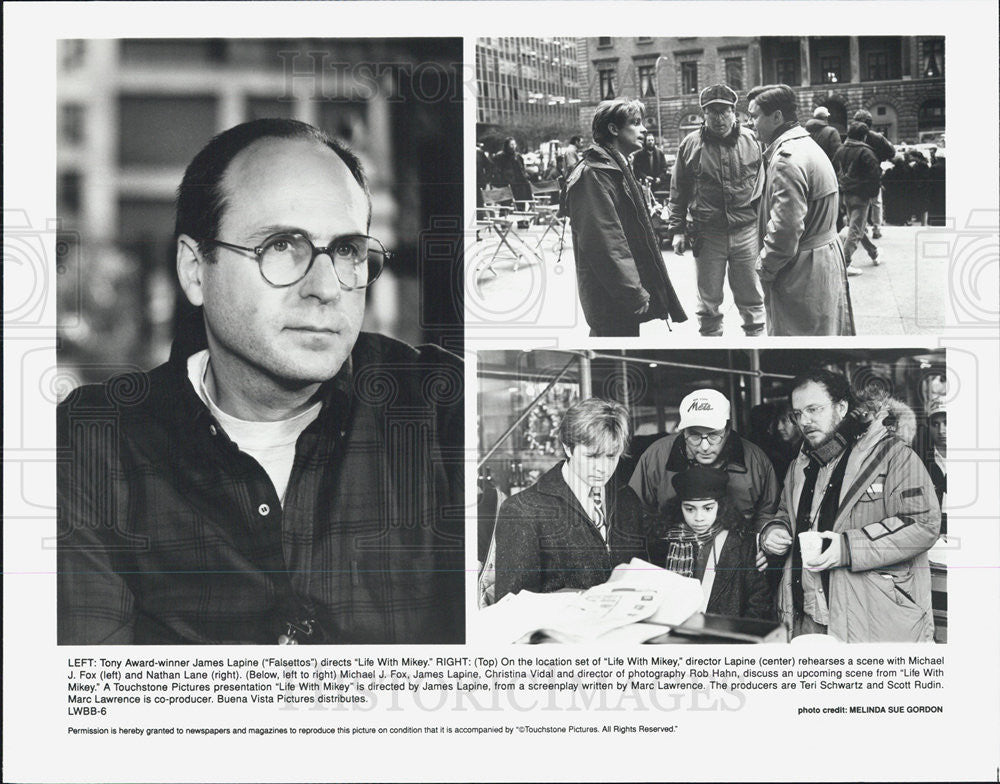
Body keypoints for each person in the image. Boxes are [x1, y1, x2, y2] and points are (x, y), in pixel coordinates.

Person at [57, 119, 464, 645]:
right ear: (195, 270)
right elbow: (91, 706)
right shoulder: (93, 444)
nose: (324, 289)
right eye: (281, 246)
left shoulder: (442, 407)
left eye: (346, 250)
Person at [758, 369, 941, 642]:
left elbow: (923, 524)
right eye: (798, 414)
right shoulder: (800, 464)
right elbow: (786, 513)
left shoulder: (894, 455)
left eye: (814, 409)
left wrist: (847, 548)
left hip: (870, 620)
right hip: (807, 617)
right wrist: (773, 532)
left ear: (841, 408)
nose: (804, 421)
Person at [493, 398, 649, 599]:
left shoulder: (627, 500)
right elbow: (511, 605)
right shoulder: (523, 510)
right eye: (592, 456)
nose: (602, 468)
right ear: (568, 448)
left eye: (611, 457)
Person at [564, 99, 687, 336]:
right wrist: (632, 291)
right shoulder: (594, 174)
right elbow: (606, 242)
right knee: (613, 340)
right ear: (613, 129)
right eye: (635, 123)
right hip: (610, 297)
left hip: (616, 294)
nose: (643, 130)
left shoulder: (613, 167)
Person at [747, 84, 855, 336]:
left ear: (776, 117)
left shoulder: (786, 158)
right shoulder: (805, 145)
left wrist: (765, 266)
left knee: (797, 337)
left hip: (801, 271)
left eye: (754, 116)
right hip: (819, 260)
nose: (750, 123)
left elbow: (785, 231)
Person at [667, 83, 766, 337]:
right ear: (704, 114)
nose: (719, 118)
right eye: (713, 112)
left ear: (735, 112)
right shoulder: (690, 145)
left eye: (724, 112)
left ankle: (754, 341)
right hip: (708, 234)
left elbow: (766, 187)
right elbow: (679, 191)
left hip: (747, 231)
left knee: (752, 300)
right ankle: (712, 339)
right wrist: (677, 231)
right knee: (708, 304)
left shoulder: (753, 141)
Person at [629, 388, 780, 553]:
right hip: (673, 559)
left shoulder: (756, 461)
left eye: (714, 435)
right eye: (694, 436)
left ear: (728, 429)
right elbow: (634, 512)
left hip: (736, 559)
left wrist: (761, 546)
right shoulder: (656, 456)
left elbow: (768, 514)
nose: (705, 446)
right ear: (682, 431)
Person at [656, 465, 774, 619]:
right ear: (679, 507)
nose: (699, 518)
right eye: (690, 509)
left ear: (720, 506)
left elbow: (759, 600)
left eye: (707, 508)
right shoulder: (664, 542)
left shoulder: (742, 542)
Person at [833, 121, 882, 271]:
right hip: (861, 195)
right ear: (864, 136)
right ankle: (845, 263)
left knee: (856, 227)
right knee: (856, 230)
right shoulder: (866, 152)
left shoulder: (840, 150)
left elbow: (834, 170)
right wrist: (872, 194)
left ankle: (873, 252)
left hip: (846, 194)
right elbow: (875, 175)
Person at [852, 109, 895, 239]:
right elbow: (891, 152)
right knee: (876, 202)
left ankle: (863, 229)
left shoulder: (852, 137)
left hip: (858, 173)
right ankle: (877, 229)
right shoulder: (877, 137)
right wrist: (879, 158)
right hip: (874, 173)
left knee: (861, 202)